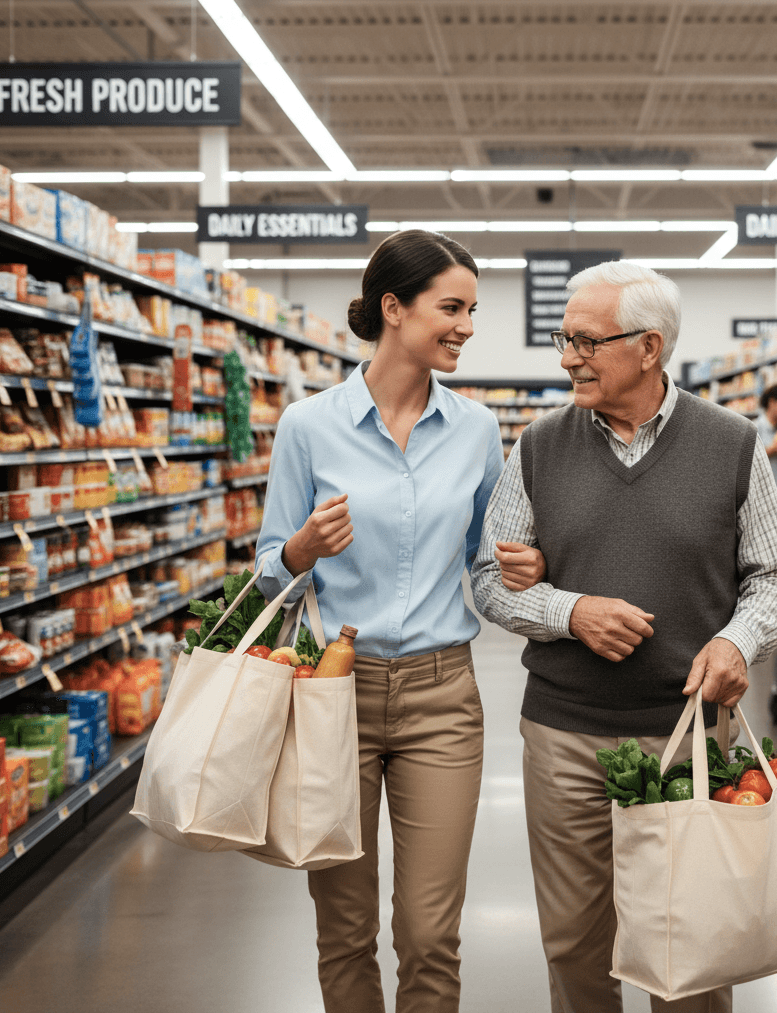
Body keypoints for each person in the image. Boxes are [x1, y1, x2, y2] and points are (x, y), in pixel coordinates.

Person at [470, 260, 777, 1013]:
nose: (566, 358)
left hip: (687, 737)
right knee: (576, 943)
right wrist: (570, 610)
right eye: (565, 339)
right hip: (563, 735)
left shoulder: (733, 444)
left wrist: (735, 642)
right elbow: (491, 579)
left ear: (649, 348)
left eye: (586, 342)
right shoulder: (537, 445)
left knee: (690, 943)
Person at [254, 229, 546, 1013]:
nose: (467, 325)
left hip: (442, 697)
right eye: (452, 307)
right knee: (344, 927)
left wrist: (524, 574)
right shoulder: (307, 427)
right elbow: (261, 576)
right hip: (330, 695)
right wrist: (301, 549)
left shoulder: (480, 430)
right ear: (394, 308)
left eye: (472, 310)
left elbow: (487, 568)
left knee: (428, 931)